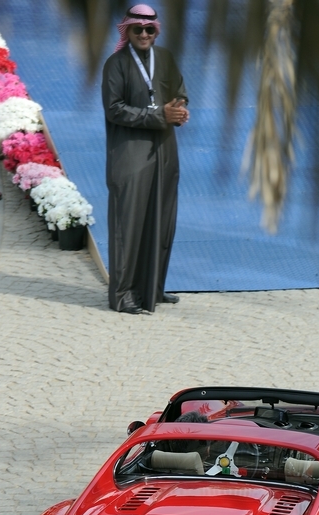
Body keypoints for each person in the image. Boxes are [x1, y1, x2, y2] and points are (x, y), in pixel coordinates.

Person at [102, 5, 189, 314]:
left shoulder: (164, 58)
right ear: (127, 31)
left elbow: (179, 91)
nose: (143, 34)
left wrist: (179, 111)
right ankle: (123, 295)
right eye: (137, 29)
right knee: (128, 224)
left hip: (165, 151)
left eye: (149, 29)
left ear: (156, 31)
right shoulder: (116, 64)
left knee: (162, 220)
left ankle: (153, 288)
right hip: (131, 154)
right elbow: (114, 109)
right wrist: (158, 115)